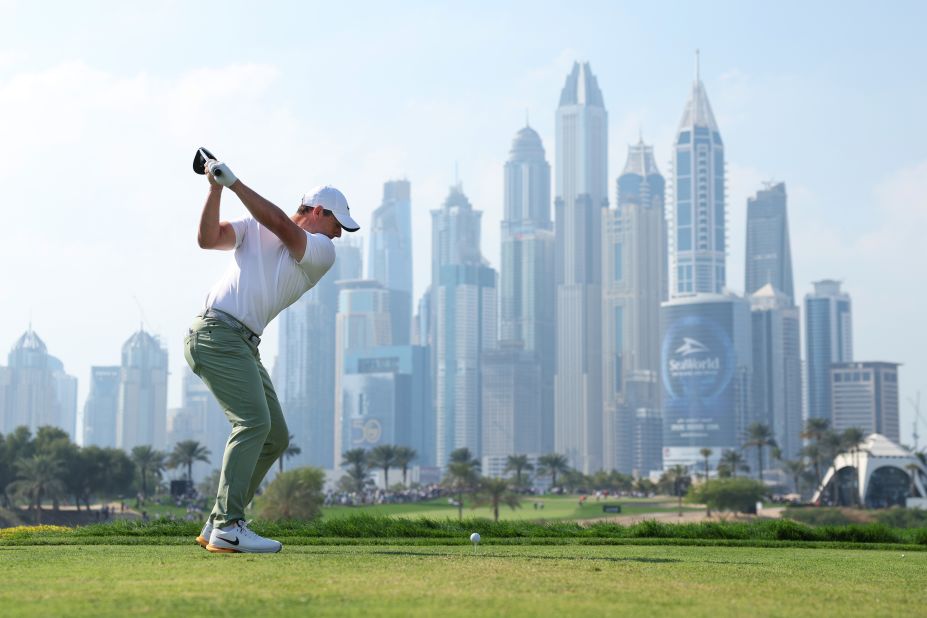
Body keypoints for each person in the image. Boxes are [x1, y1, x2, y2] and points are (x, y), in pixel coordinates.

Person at [187, 157, 359, 554]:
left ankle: (219, 520)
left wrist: (234, 184)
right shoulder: (254, 229)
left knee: (274, 436)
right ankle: (229, 525)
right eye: (337, 226)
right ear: (318, 212)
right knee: (252, 423)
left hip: (241, 343)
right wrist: (215, 189)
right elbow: (207, 238)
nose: (338, 235)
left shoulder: (320, 253)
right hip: (216, 334)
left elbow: (282, 226)